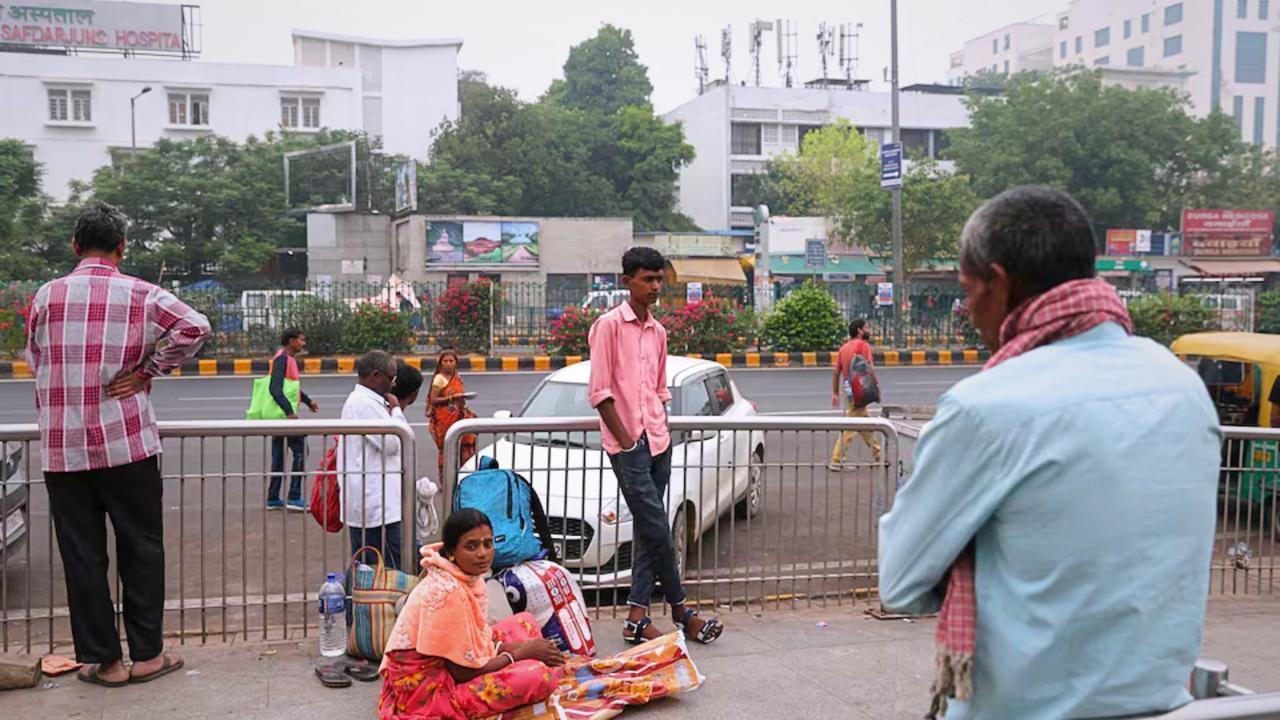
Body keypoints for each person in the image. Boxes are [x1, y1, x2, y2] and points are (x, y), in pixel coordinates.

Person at [877, 187, 1221, 719]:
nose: (967, 313)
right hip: (1164, 705)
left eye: (968, 291)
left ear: (1000, 281)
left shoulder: (985, 407)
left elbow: (900, 583)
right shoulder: (1183, 389)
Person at [26, 203, 211, 687]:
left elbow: (35, 358)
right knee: (142, 547)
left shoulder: (47, 296)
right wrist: (148, 371)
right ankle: (147, 655)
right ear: (122, 247)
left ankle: (104, 663)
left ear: (74, 245)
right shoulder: (141, 294)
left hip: (64, 449)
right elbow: (196, 327)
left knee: (82, 554)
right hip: (127, 444)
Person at [588, 246, 723, 646]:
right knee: (658, 527)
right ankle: (683, 611)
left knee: (651, 531)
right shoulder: (608, 326)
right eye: (647, 279)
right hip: (627, 445)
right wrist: (628, 442)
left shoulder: (659, 331)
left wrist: (657, 433)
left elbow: (660, 389)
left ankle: (636, 617)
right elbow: (600, 392)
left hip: (658, 441)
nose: (655, 286)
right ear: (626, 281)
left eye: (659, 279)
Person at [379, 508, 565, 719]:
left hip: (452, 666)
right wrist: (519, 653)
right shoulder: (448, 592)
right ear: (451, 552)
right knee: (540, 678)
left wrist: (524, 649)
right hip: (429, 691)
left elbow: (477, 635)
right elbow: (463, 672)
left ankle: (526, 662)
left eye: (487, 543)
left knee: (525, 622)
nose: (482, 553)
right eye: (471, 546)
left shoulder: (463, 574)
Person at [340, 351, 412, 571]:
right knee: (378, 567)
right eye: (391, 378)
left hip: (376, 501)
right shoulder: (364, 404)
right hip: (375, 503)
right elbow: (395, 442)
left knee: (374, 566)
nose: (393, 385)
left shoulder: (368, 401)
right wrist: (397, 410)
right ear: (375, 375)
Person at [266, 328, 319, 511]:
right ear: (291, 341)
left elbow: (291, 388)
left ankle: (273, 498)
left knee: (279, 456)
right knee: (300, 449)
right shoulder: (282, 359)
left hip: (281, 416)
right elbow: (275, 388)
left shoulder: (287, 359)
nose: (303, 344)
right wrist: (289, 412)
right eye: (301, 340)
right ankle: (294, 496)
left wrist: (307, 401)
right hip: (283, 416)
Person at [830, 318, 882, 469]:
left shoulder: (843, 348)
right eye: (866, 327)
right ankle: (836, 459)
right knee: (851, 426)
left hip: (848, 390)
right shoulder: (863, 345)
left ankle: (879, 455)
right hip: (860, 389)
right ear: (860, 330)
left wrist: (835, 393)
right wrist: (876, 387)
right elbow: (869, 367)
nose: (868, 330)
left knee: (865, 423)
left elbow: (835, 372)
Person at [427, 348, 476, 477]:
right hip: (444, 417)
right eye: (445, 361)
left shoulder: (457, 377)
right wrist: (451, 398)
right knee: (447, 447)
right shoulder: (439, 379)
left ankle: (465, 475)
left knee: (467, 445)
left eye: (451, 361)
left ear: (456, 362)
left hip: (459, 415)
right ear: (441, 363)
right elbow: (433, 399)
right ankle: (446, 479)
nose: (448, 364)